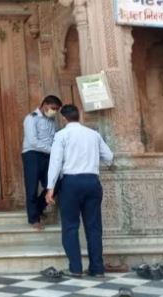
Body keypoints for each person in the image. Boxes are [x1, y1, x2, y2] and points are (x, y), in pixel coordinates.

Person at [45, 104, 114, 278]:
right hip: (92, 182)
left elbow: (55, 163)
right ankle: (97, 269)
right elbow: (109, 157)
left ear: (63, 118)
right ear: (79, 116)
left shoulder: (61, 135)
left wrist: (50, 188)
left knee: (70, 226)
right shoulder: (94, 135)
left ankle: (75, 268)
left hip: (71, 183)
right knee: (94, 227)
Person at [22, 95, 62, 230]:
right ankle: (34, 220)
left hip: (48, 155)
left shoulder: (51, 120)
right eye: (53, 108)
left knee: (54, 184)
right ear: (44, 105)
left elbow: (53, 137)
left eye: (56, 109)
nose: (54, 111)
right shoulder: (31, 118)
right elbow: (33, 142)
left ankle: (37, 209)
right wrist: (53, 150)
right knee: (32, 187)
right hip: (32, 155)